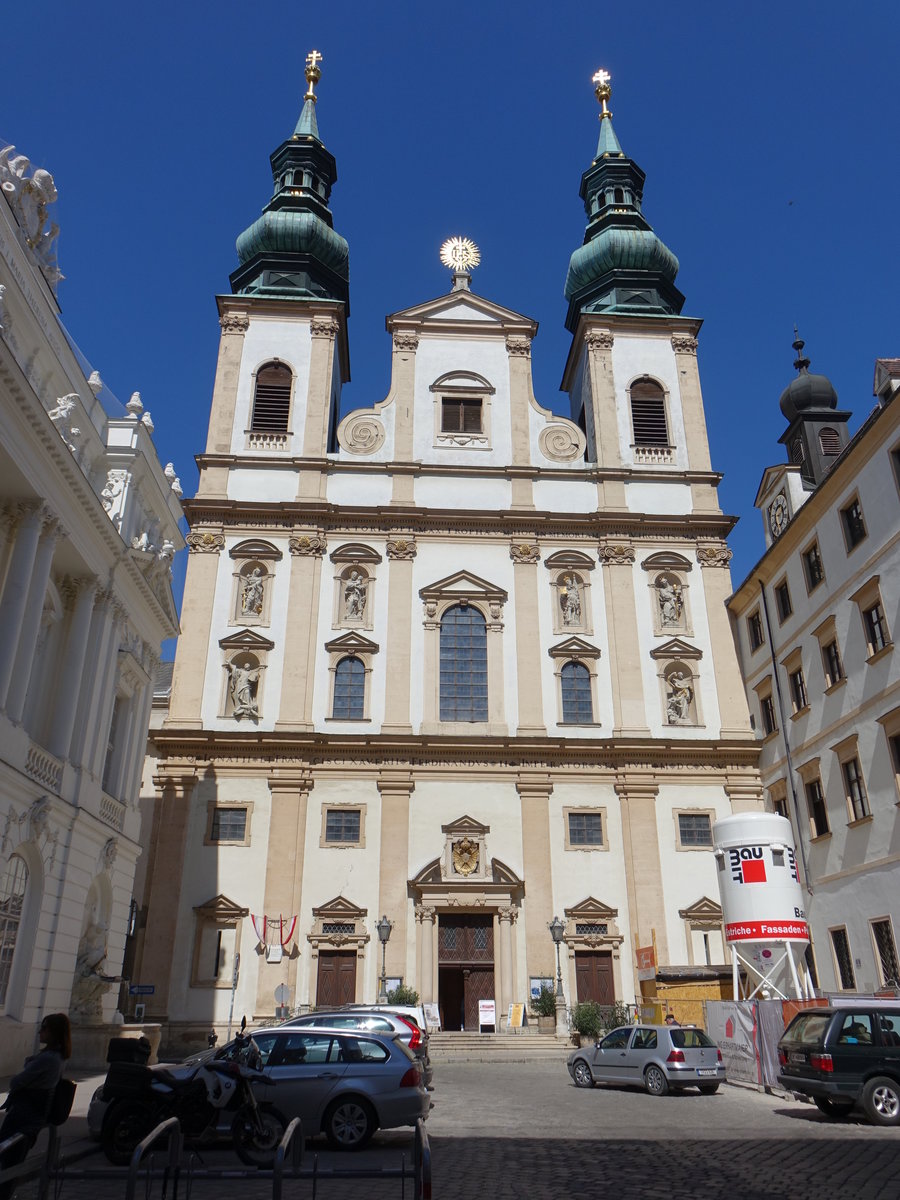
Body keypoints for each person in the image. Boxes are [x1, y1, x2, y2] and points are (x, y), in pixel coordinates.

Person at [0, 1013, 71, 1200]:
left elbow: (17, 1081)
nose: (40, 1032)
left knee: (8, 1162)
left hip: (24, 1116)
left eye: (45, 1028)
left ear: (54, 1033)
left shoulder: (49, 1059)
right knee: (11, 1162)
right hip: (30, 1116)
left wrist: (28, 1064)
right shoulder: (56, 1057)